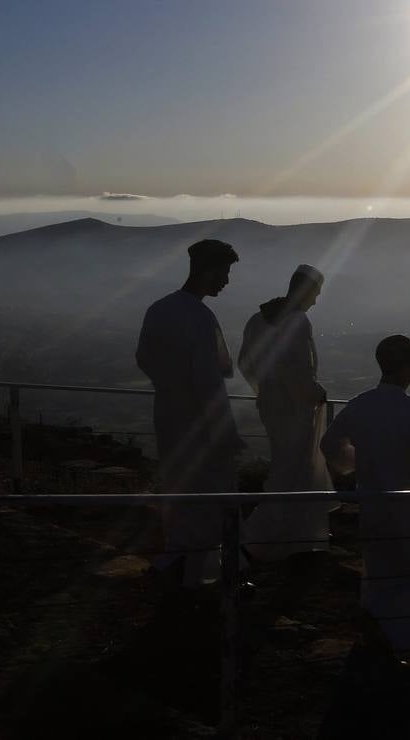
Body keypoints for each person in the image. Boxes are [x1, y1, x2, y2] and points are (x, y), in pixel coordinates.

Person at [320, 335, 410, 656]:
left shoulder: (360, 405)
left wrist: (352, 468)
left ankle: (379, 641)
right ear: (408, 367)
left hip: (373, 507)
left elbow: (329, 445)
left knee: (381, 576)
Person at [135, 238, 244, 590]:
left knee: (179, 494)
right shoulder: (200, 317)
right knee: (207, 502)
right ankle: (194, 579)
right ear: (209, 271)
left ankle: (176, 565)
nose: (226, 281)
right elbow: (210, 382)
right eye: (224, 273)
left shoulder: (159, 309)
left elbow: (144, 359)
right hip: (200, 426)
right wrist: (225, 432)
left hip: (167, 414)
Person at [237, 265, 333, 562]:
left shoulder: (257, 320)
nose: (316, 301)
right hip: (295, 411)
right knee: (290, 471)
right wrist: (315, 393)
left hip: (271, 407)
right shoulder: (297, 322)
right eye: (315, 294)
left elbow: (245, 363)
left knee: (287, 468)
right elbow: (300, 371)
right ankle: (257, 539)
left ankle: (293, 538)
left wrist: (265, 390)